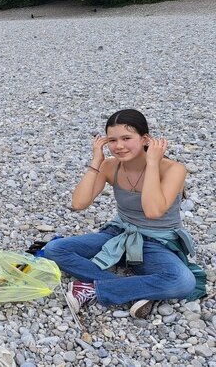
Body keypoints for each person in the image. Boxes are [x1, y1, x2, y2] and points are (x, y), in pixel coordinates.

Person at [43, 109, 205, 319]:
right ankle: (137, 288)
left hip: (157, 242)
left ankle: (93, 289)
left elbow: (153, 211)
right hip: (119, 234)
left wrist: (153, 162)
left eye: (127, 138)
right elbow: (79, 203)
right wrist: (96, 161)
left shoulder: (173, 169)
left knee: (183, 281)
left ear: (145, 139)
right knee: (55, 249)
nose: (119, 146)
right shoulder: (111, 166)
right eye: (112, 140)